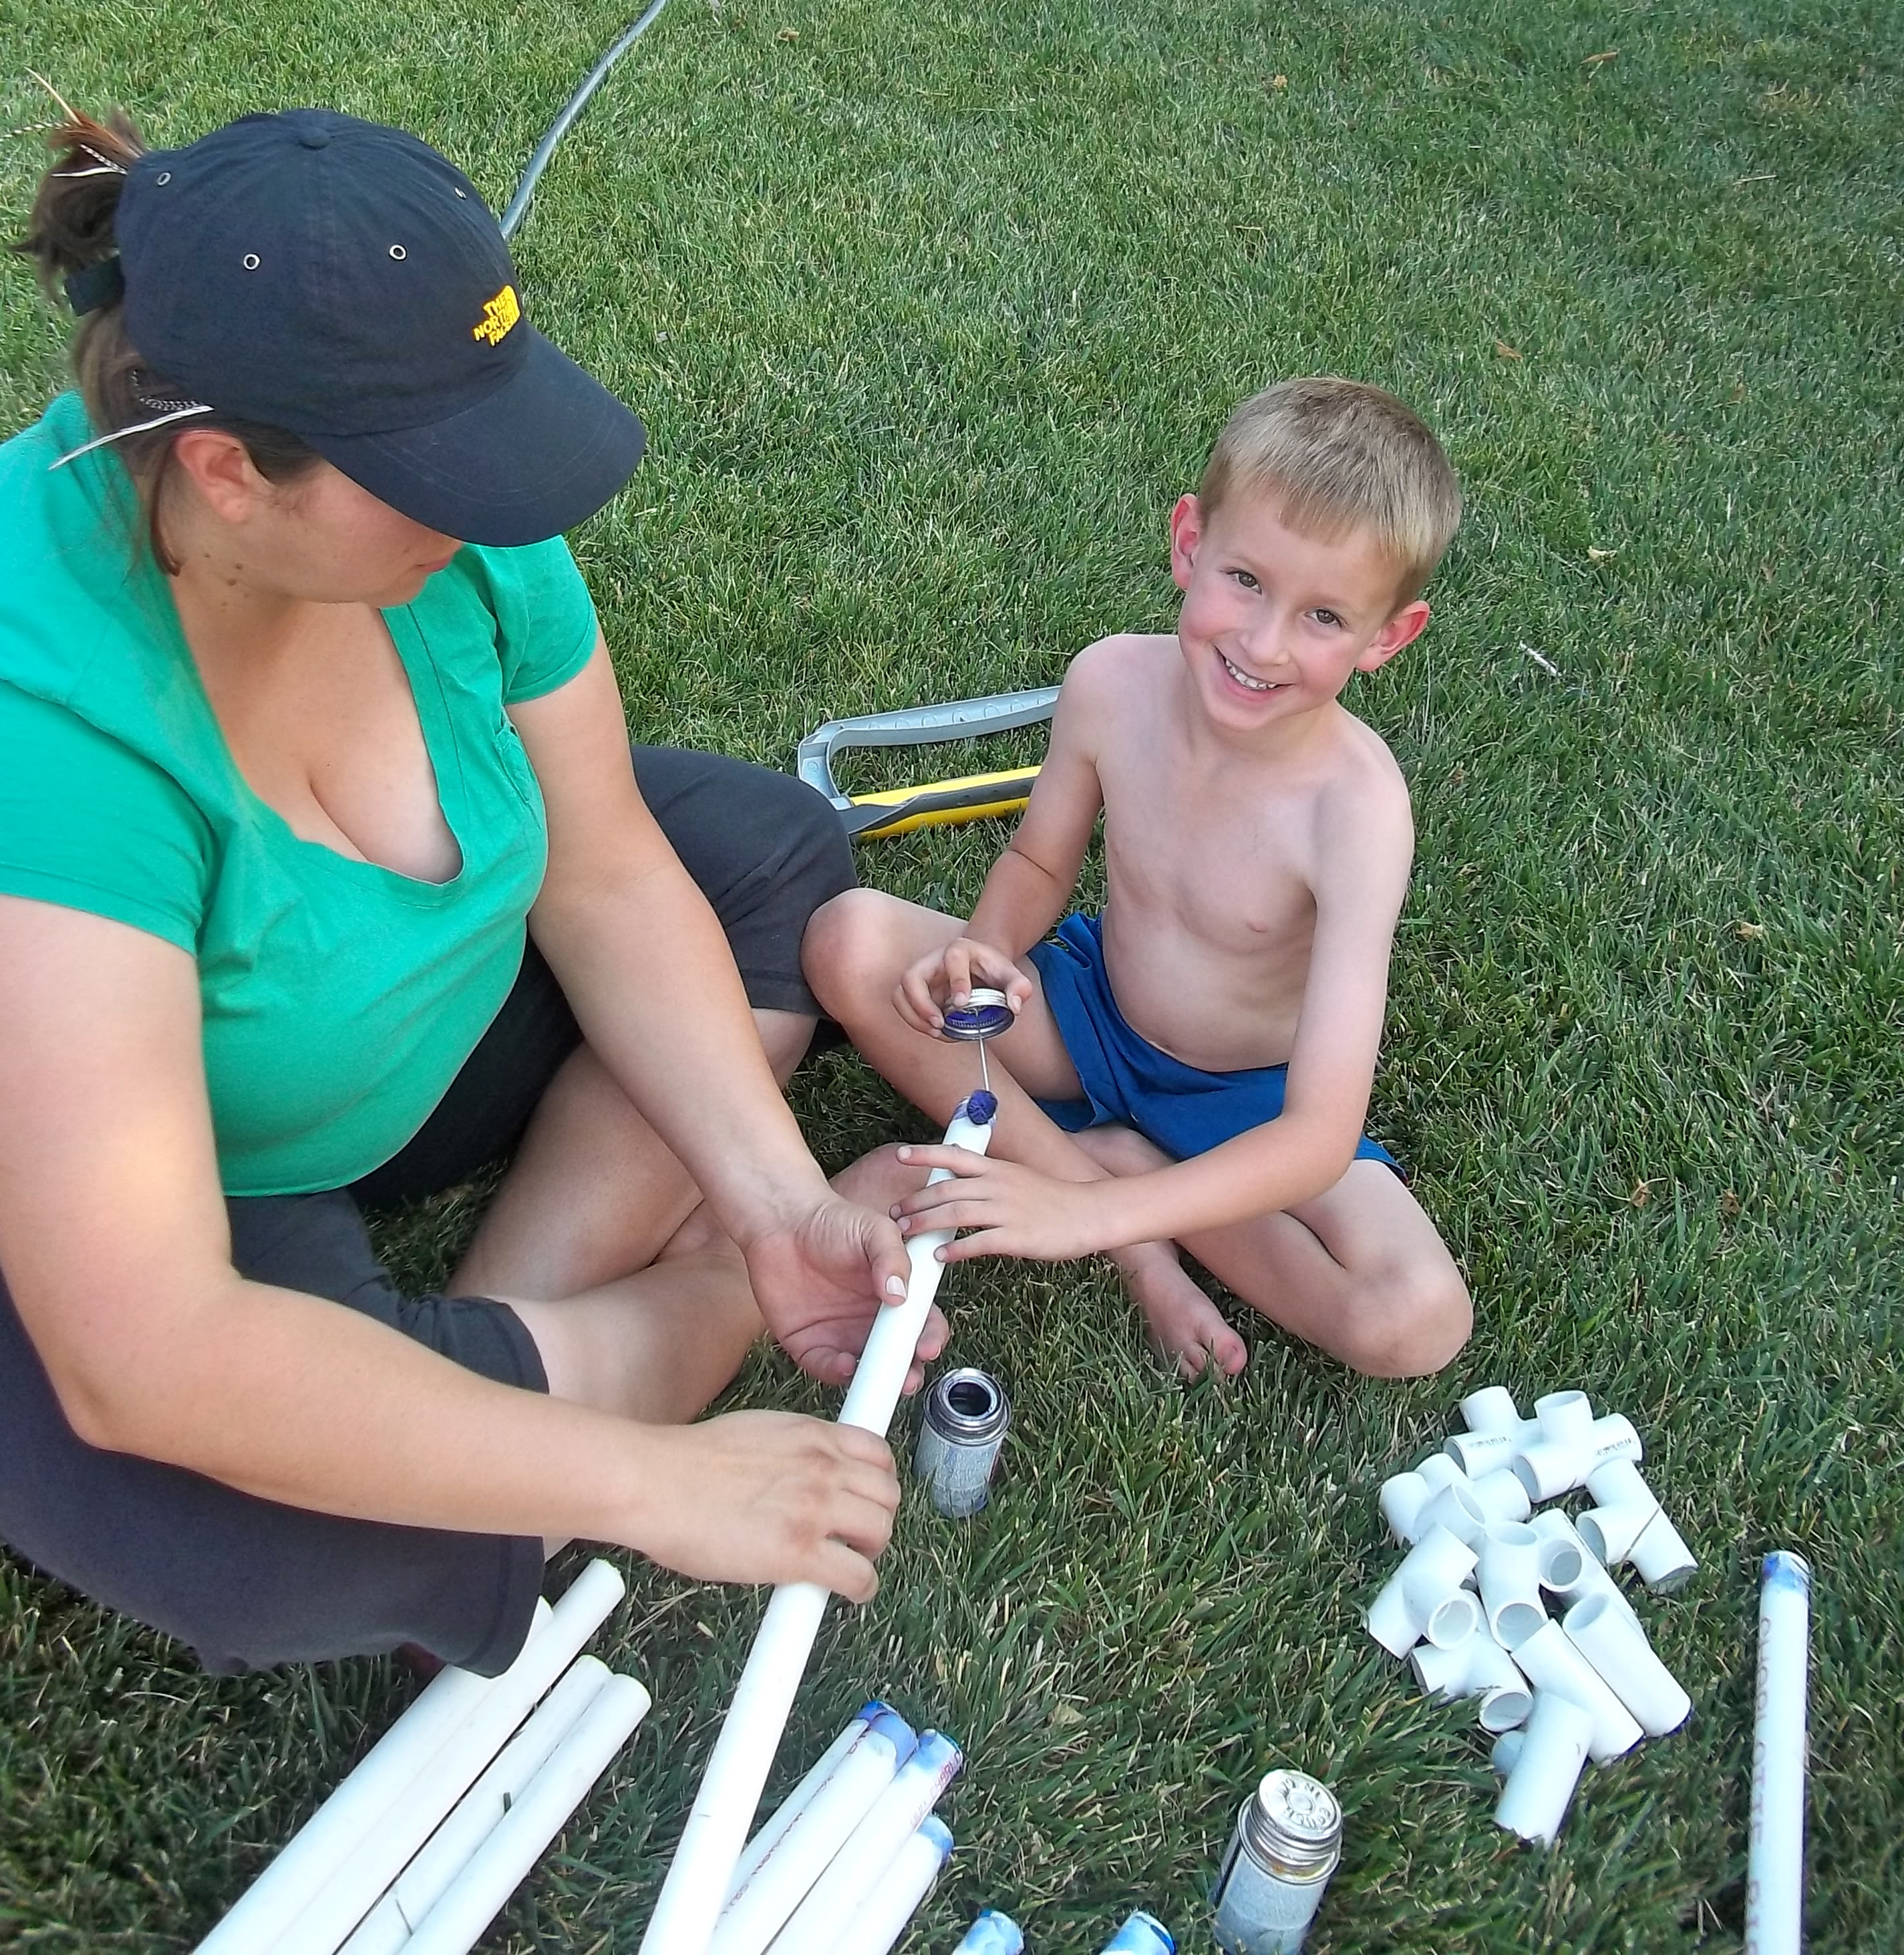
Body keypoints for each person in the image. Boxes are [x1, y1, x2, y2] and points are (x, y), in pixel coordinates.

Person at [0, 104, 938, 1678]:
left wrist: (781, 1197)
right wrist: (655, 1477)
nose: (495, 507)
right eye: (436, 478)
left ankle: (468, 1367)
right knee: (259, 1540)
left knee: (769, 855)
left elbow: (614, 870)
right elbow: (148, 1355)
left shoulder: (450, 504)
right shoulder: (51, 725)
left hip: (402, 1013)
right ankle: (641, 1327)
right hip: (159, 1149)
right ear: (229, 473)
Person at [804, 378, 1474, 1380]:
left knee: (1414, 1320)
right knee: (849, 938)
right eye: (1245, 579)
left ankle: (1109, 1185)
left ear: (1388, 636)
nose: (1263, 642)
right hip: (1087, 1017)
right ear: (1187, 542)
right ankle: (1131, 1224)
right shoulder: (1111, 682)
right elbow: (1039, 859)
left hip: (1245, 1099)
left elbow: (1320, 1133)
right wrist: (982, 948)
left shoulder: (1356, 809)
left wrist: (1090, 1214)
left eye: (1324, 615)